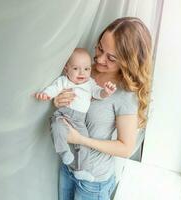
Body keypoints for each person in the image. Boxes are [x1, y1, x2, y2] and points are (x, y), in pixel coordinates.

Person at [54, 17, 152, 200]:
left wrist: (81, 139)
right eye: (100, 48)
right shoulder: (85, 71)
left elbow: (125, 148)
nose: (99, 58)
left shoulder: (125, 95)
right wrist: (59, 101)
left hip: (93, 182)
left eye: (111, 58)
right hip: (68, 168)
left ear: (128, 61)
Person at [35, 48, 117, 182]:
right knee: (56, 127)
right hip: (64, 114)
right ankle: (64, 152)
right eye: (76, 68)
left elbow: (98, 93)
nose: (82, 73)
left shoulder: (90, 83)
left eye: (86, 69)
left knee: (84, 144)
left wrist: (106, 92)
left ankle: (80, 170)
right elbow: (54, 88)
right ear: (66, 69)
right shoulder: (64, 81)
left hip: (79, 120)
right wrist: (46, 94)